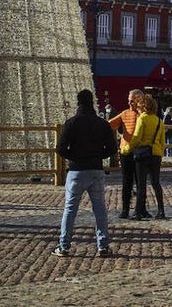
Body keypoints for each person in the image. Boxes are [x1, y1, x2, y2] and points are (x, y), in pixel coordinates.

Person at [53, 89, 117, 258]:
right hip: (96, 169)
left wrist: (74, 157)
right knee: (100, 208)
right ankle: (103, 245)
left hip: (77, 170)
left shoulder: (71, 123)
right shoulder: (102, 124)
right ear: (93, 102)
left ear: (78, 102)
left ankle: (64, 246)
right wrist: (97, 156)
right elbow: (112, 148)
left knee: (70, 209)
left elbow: (60, 148)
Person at [129, 94, 166, 220]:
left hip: (142, 154)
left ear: (143, 106)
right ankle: (161, 210)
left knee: (141, 184)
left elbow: (137, 137)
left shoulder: (142, 118)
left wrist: (127, 148)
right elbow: (162, 141)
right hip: (155, 154)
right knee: (156, 183)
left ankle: (138, 211)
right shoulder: (159, 121)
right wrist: (159, 153)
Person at [108, 89, 143, 219]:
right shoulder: (125, 113)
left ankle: (140, 209)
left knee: (141, 182)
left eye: (132, 101)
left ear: (140, 100)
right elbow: (110, 124)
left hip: (140, 151)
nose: (130, 103)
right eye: (129, 100)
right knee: (127, 181)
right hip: (126, 151)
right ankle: (125, 209)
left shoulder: (144, 115)